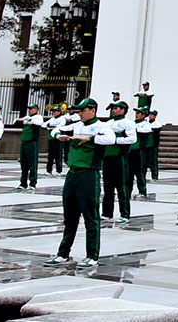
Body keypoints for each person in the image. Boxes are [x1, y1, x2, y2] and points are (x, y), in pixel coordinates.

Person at [44, 98, 115, 270]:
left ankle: (92, 256)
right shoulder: (76, 124)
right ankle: (63, 253)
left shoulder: (102, 126)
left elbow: (110, 139)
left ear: (93, 110)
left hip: (88, 175)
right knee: (70, 216)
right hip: (73, 173)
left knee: (91, 217)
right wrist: (58, 136)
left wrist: (89, 138)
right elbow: (54, 130)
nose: (80, 113)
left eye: (82, 111)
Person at [102, 100, 136, 223]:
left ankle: (125, 214)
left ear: (123, 110)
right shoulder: (109, 123)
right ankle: (106, 213)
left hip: (120, 157)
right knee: (107, 187)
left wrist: (116, 140)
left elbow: (132, 139)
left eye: (116, 108)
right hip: (107, 158)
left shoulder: (128, 123)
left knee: (122, 187)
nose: (113, 110)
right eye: (113, 108)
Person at [14, 102, 45, 192]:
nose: (30, 110)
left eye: (31, 109)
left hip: (32, 143)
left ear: (36, 110)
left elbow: (39, 123)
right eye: (29, 109)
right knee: (23, 164)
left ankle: (32, 183)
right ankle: (23, 183)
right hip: (24, 142)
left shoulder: (38, 117)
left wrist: (30, 119)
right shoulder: (26, 118)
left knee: (32, 164)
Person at [128, 107, 151, 200]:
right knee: (129, 173)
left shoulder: (145, 124)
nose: (136, 114)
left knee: (139, 173)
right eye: (136, 113)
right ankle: (128, 191)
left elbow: (145, 132)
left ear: (143, 114)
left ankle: (142, 191)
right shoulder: (133, 123)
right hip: (130, 151)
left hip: (139, 152)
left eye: (138, 113)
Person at [44, 106, 67, 175]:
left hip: (58, 138)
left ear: (59, 112)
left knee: (58, 155)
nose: (54, 113)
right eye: (53, 111)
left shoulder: (62, 118)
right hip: (51, 138)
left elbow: (62, 125)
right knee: (50, 155)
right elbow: (44, 124)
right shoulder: (52, 119)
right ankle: (49, 170)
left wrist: (54, 128)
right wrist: (47, 128)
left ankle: (58, 170)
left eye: (55, 111)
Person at [147, 109, 163, 181]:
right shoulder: (146, 122)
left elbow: (157, 129)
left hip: (153, 145)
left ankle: (154, 176)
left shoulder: (157, 124)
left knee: (153, 161)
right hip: (147, 145)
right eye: (149, 114)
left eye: (152, 115)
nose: (150, 116)